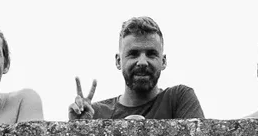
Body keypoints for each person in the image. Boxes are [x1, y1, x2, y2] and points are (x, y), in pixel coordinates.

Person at [68, 16, 205, 121]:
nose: (142, 62)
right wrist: (79, 131)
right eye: (133, 54)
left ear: (163, 61)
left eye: (151, 54)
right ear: (118, 61)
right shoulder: (95, 114)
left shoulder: (178, 99)